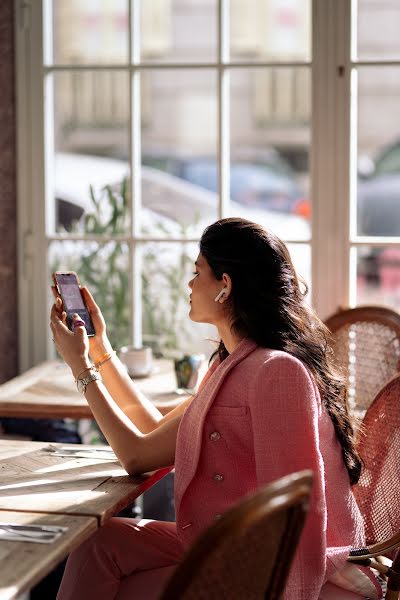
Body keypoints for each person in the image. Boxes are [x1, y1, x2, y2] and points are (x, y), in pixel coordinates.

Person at [51, 218, 380, 600]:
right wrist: (98, 349)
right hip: (226, 541)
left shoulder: (278, 372)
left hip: (269, 566)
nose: (189, 285)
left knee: (120, 586)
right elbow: (151, 431)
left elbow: (297, 516)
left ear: (225, 286)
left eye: (197, 272)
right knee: (98, 543)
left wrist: (81, 369)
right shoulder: (232, 362)